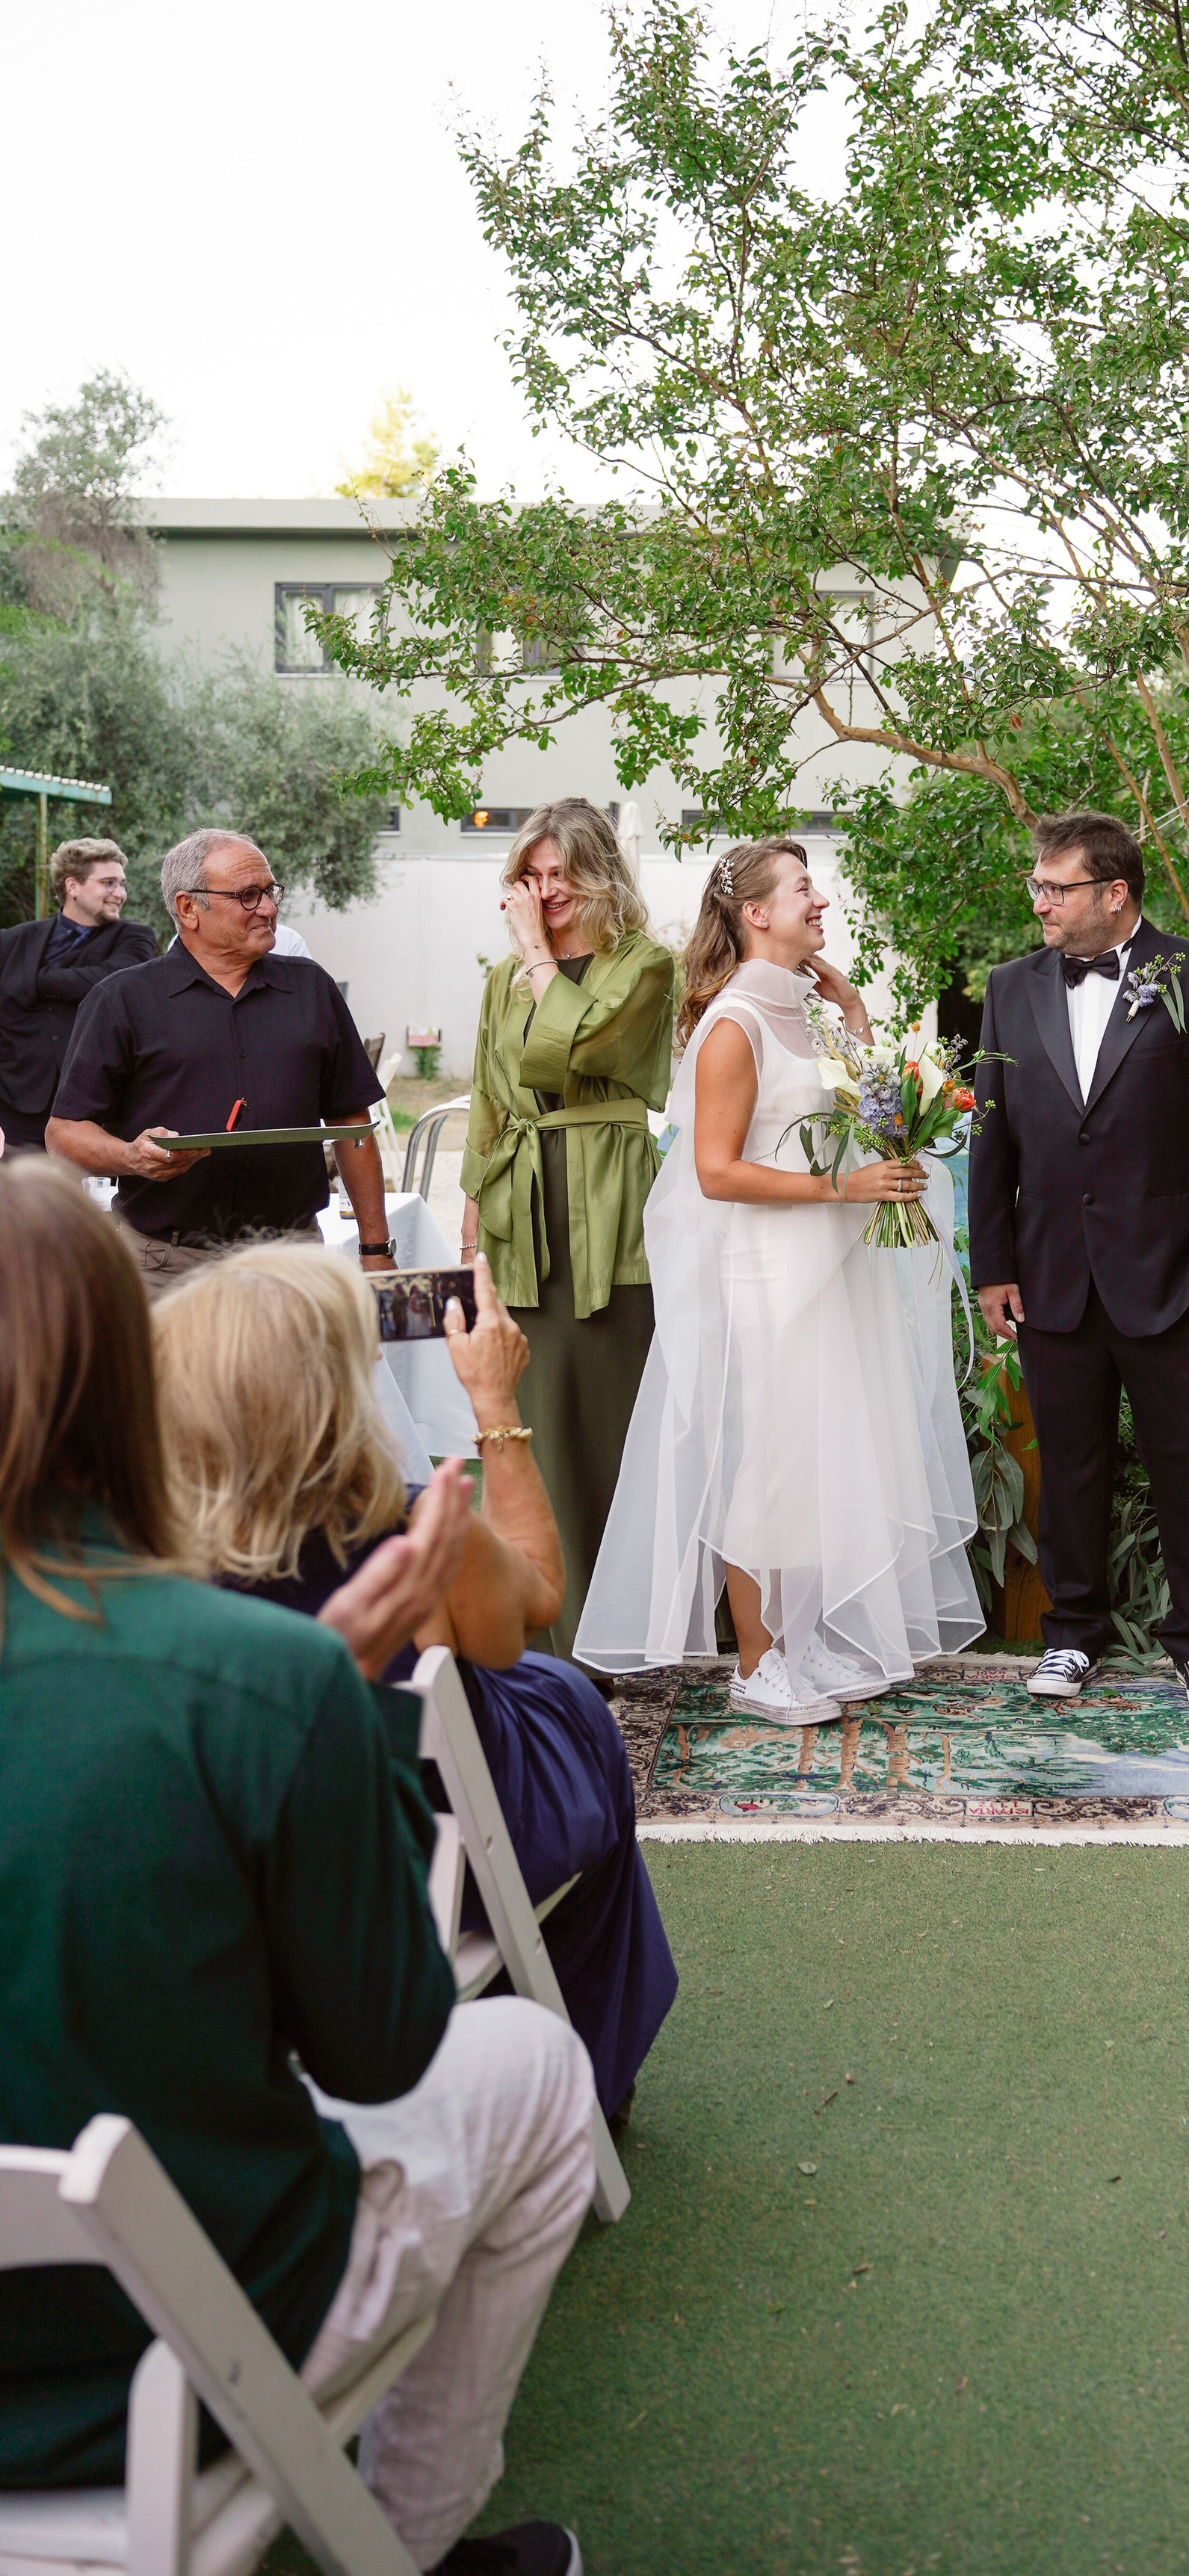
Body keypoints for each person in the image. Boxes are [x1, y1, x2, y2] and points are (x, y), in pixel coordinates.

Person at [0, 1156, 594, 2576]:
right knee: (536, 2074)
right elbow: (386, 2051)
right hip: (170, 2339)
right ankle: (405, 2544)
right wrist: (338, 1711)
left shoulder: (248, 1677)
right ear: (121, 1386)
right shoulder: (255, 1684)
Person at [151, 1237, 678, 2122]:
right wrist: (495, 1404)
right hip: (436, 1853)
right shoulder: (405, 1527)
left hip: (233, 1855)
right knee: (569, 1703)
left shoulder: (146, 1555)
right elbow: (539, 1599)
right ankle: (584, 2072)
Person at [572, 838, 981, 1723]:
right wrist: (844, 1186)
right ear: (755, 912)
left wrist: (859, 1019)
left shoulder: (813, 1014)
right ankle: (756, 1662)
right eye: (803, 888)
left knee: (821, 1457)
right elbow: (715, 1171)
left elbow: (862, 1112)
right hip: (765, 1271)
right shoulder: (733, 1025)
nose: (820, 899)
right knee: (765, 1466)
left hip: (835, 1266)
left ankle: (801, 1641)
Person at [966, 811, 1189, 1711]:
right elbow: (993, 1140)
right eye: (1037, 885)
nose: (1040, 902)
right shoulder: (1008, 988)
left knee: (1186, 1462)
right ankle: (1072, 1634)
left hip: (1178, 1280)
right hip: (1053, 1275)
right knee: (1068, 1467)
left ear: (1114, 894)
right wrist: (993, 1265)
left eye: (1055, 888)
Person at [461, 800, 675, 1657]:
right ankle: (541, 1636)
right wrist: (472, 1248)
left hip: (611, 1209)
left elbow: (578, 1052)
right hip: (523, 1211)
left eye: (562, 874)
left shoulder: (643, 965)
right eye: (531, 876)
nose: (545, 893)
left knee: (610, 1428)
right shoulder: (500, 978)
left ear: (599, 876)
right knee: (534, 1426)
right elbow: (487, 1108)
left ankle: (617, 1635)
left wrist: (540, 958)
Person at [44, 828, 392, 1287]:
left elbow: (353, 1124)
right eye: (248, 896)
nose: (268, 908)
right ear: (189, 908)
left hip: (294, 1266)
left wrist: (375, 1248)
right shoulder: (122, 1000)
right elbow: (64, 1133)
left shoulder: (311, 989)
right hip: (163, 1270)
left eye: (270, 891)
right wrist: (132, 1157)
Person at [0, 837, 155, 1152]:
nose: (120, 894)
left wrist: (33, 980)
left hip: (92, 1111)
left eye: (122, 884)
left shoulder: (134, 938)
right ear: (73, 886)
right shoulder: (14, 941)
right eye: (109, 883)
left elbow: (107, 981)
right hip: (14, 1108)